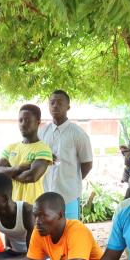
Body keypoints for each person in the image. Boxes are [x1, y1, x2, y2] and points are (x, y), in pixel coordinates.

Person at [39, 90, 93, 220]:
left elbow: (87, 163)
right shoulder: (41, 133)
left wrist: (72, 180)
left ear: (68, 107)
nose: (55, 105)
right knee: (47, 236)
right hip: (44, 195)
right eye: (52, 102)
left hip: (69, 197)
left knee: (70, 234)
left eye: (59, 102)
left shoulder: (78, 133)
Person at [0, 104, 53, 204]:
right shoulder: (11, 147)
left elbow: (31, 177)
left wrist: (8, 173)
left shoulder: (43, 149)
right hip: (10, 206)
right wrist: (19, 168)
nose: (23, 124)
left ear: (37, 122)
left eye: (27, 121)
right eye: (20, 120)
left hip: (32, 207)